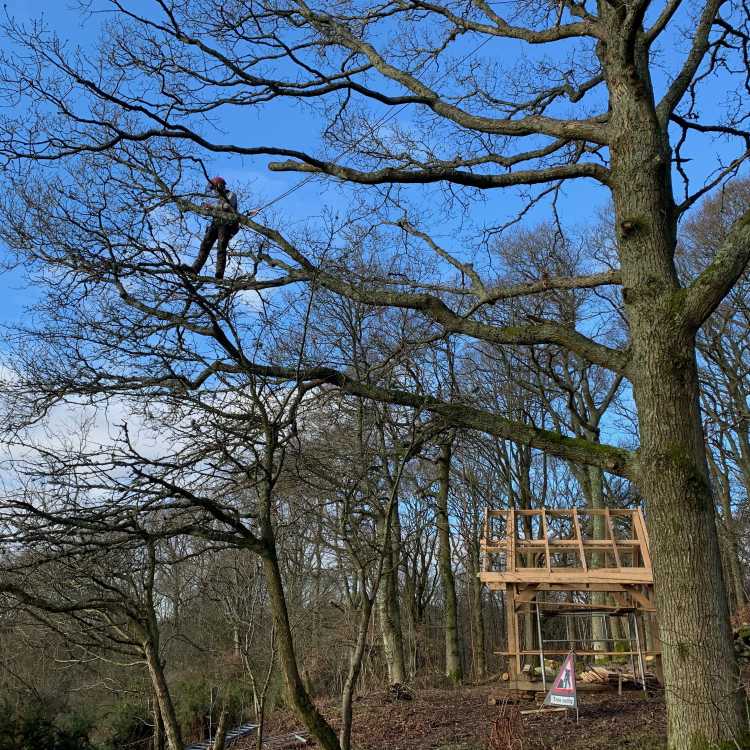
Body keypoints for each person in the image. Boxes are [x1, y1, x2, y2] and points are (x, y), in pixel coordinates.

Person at [192, 176, 240, 278]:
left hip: (227, 224)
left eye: (214, 188)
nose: (214, 191)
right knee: (205, 245)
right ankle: (195, 268)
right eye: (212, 189)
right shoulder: (217, 199)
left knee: (221, 247)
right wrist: (206, 208)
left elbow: (227, 206)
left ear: (220, 186)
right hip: (216, 223)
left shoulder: (231, 194)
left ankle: (219, 274)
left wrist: (212, 207)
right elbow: (212, 210)